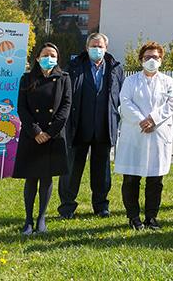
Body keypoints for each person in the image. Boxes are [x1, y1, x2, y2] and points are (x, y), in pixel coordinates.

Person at [114, 42, 173, 230]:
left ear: (161, 60)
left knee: (155, 180)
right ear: (141, 60)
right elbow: (125, 102)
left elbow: (172, 103)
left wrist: (153, 119)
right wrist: (142, 120)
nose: (151, 61)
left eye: (156, 57)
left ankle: (151, 217)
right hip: (135, 133)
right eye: (147, 57)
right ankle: (133, 217)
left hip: (157, 133)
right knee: (131, 178)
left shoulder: (168, 82)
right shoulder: (131, 81)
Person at [58, 32, 124, 219]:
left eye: (100, 46)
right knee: (72, 169)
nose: (97, 49)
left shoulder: (115, 68)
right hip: (78, 126)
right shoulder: (74, 66)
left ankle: (101, 206)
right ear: (86, 48)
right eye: (93, 46)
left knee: (102, 170)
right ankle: (67, 207)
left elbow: (120, 96)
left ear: (106, 48)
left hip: (104, 126)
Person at [13, 43, 71, 235]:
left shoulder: (64, 78)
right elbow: (22, 108)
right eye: (45, 55)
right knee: (31, 178)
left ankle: (41, 218)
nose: (49, 58)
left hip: (53, 136)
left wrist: (50, 132)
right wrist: (36, 131)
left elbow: (65, 107)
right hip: (32, 136)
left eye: (53, 55)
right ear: (37, 58)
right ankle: (28, 220)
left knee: (47, 178)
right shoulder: (26, 79)